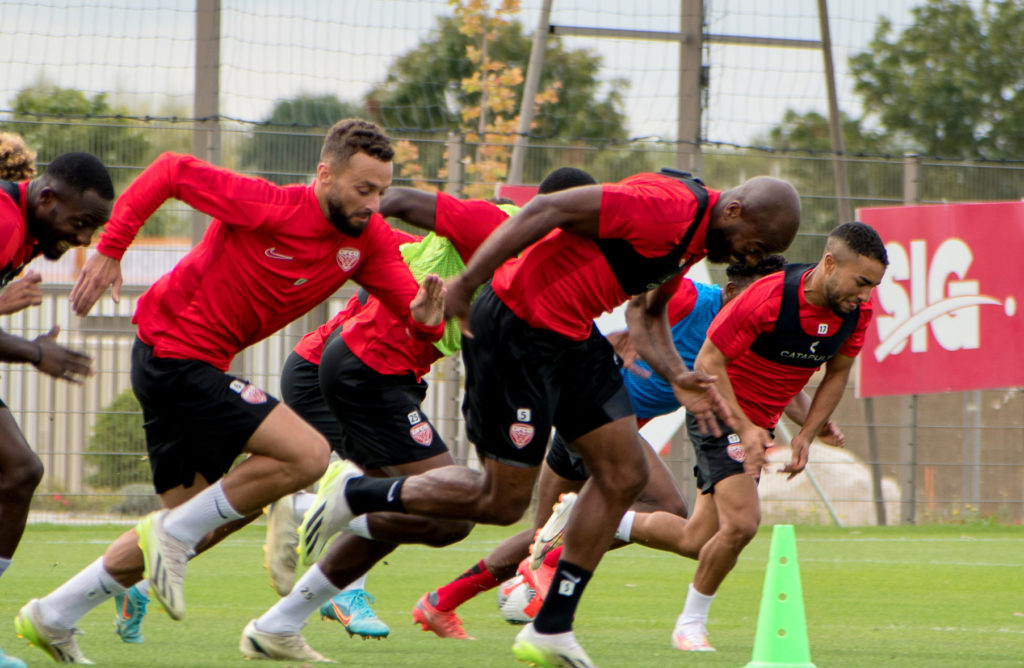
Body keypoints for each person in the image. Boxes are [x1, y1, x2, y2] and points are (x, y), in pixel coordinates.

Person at [293, 169, 802, 666]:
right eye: (753, 245)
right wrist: (466, 283)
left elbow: (646, 313)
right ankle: (357, 495)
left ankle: (552, 626)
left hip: (571, 337)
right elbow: (548, 207)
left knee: (624, 475)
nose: (747, 258)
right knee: (501, 503)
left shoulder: (692, 240)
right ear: (734, 210)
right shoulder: (666, 206)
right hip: (517, 325)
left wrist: (676, 375)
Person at [14, 119, 445, 665]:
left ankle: (53, 614)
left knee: (198, 522)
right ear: (325, 175)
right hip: (172, 354)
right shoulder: (270, 204)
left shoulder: (369, 241)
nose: (374, 205)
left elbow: (415, 312)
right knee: (308, 455)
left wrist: (427, 323)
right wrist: (111, 249)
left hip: (189, 366)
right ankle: (217, 530)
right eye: (363, 190)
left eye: (382, 192)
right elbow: (171, 170)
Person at [242, 167, 602, 660]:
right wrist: (325, 220)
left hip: (380, 371)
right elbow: (402, 205)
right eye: (589, 218)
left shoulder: (541, 260)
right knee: (444, 509)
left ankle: (279, 622)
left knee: (416, 509)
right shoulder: (499, 224)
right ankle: (307, 509)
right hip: (363, 367)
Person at [414, 255, 817, 636]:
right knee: (664, 509)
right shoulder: (693, 301)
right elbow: (638, 293)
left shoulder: (754, 328)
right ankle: (553, 561)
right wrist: (623, 335)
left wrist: (815, 424)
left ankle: (441, 601)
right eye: (757, 294)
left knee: (544, 534)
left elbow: (780, 384)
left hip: (594, 428)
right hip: (595, 421)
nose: (766, 305)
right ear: (730, 291)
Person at [626, 221, 887, 652]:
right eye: (861, 282)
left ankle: (602, 518)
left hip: (758, 423)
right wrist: (745, 428)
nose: (866, 295)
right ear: (829, 263)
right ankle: (690, 626)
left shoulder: (857, 313)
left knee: (697, 539)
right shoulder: (769, 297)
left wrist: (806, 433)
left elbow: (838, 374)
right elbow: (708, 362)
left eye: (873, 286)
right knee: (743, 523)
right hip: (720, 411)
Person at [1, 142, 111, 668]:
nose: (84, 238)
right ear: (47, 199)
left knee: (20, 470)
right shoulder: (5, 222)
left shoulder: (26, 229)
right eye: (82, 222)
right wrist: (34, 352)